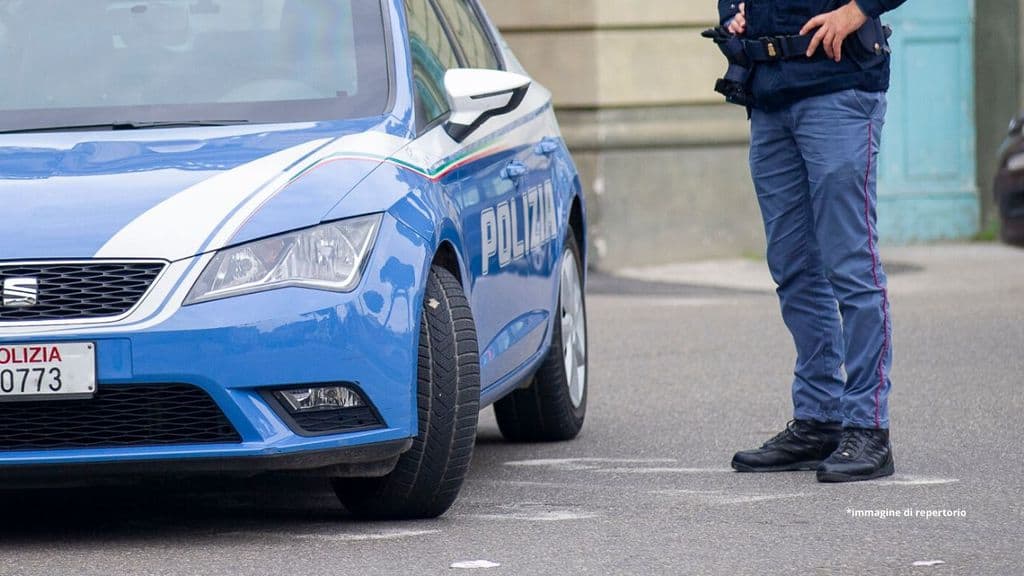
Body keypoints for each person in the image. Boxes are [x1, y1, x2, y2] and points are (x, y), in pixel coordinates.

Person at [720, 0, 907, 482]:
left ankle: (868, 427)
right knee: (794, 268)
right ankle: (820, 419)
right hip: (770, 94)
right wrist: (730, 10)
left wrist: (860, 10)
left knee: (851, 267)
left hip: (839, 88)